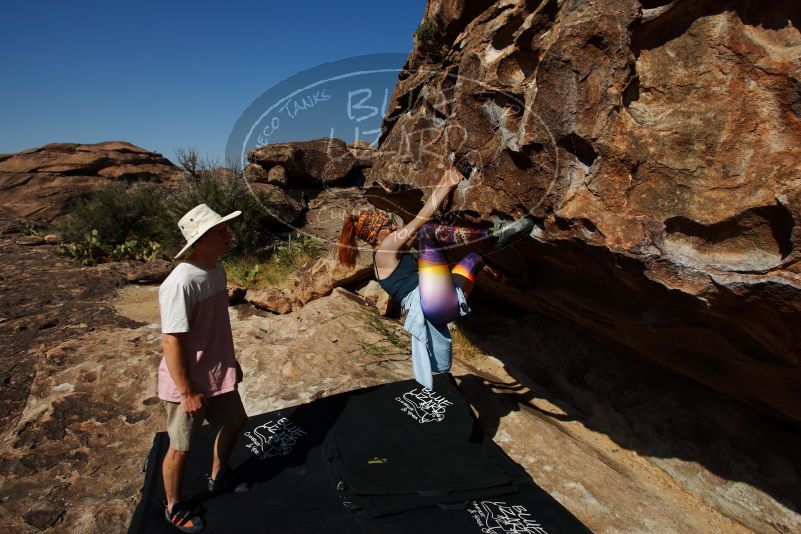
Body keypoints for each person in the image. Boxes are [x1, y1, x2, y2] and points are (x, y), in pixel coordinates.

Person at [337, 165, 534, 389]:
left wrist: (444, 184)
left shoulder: (390, 253)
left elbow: (420, 226)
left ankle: (521, 284)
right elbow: (421, 219)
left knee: (473, 259)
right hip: (430, 302)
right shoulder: (386, 248)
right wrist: (446, 184)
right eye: (386, 224)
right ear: (375, 234)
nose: (392, 225)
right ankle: (492, 236)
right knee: (427, 231)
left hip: (443, 305)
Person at [157, 203, 249, 533]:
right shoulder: (181, 282)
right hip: (188, 381)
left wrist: (229, 360)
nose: (228, 236)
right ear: (201, 240)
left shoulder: (216, 271)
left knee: (237, 420)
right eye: (221, 232)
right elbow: (171, 341)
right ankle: (174, 505)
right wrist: (187, 391)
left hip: (215, 369)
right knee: (181, 447)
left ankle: (218, 473)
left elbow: (215, 326)